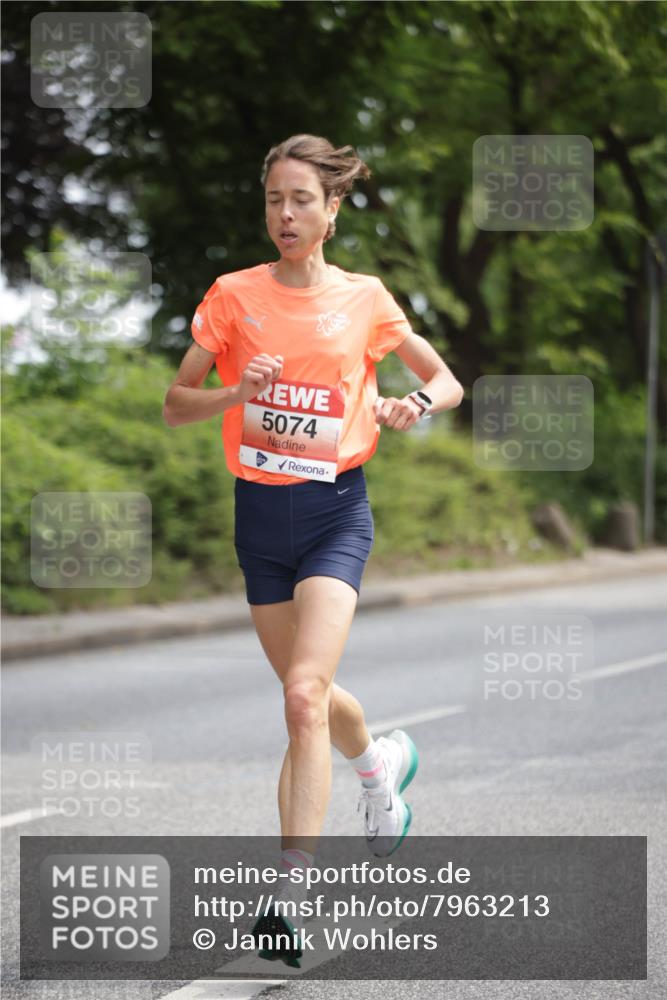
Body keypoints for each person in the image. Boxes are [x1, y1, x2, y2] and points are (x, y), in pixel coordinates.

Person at [163, 134, 464, 965]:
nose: (284, 215)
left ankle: (287, 903)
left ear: (332, 212)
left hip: (336, 513)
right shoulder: (232, 296)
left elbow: (444, 379)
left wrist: (413, 405)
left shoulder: (365, 298)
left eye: (300, 200)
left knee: (301, 697)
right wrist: (234, 390)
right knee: (315, 695)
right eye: (273, 200)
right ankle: (379, 768)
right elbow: (176, 405)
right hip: (259, 520)